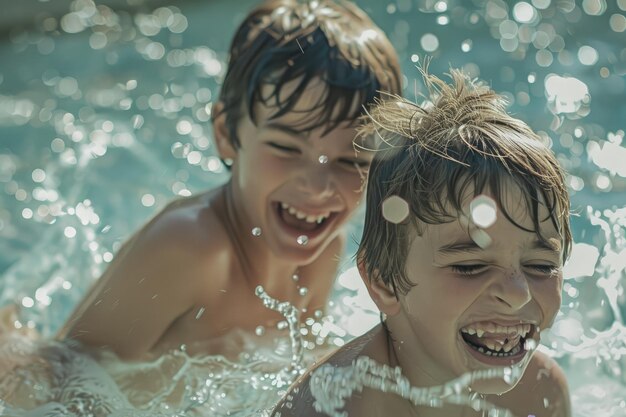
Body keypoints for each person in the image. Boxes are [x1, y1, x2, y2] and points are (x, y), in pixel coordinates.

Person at [56, 0, 401, 361]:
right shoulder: (190, 248)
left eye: (351, 160)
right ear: (226, 133)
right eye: (285, 147)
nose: (318, 188)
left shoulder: (325, 249)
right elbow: (63, 375)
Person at [271, 69, 572, 417]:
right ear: (383, 281)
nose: (518, 293)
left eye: (541, 266)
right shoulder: (335, 407)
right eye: (470, 266)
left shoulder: (541, 393)